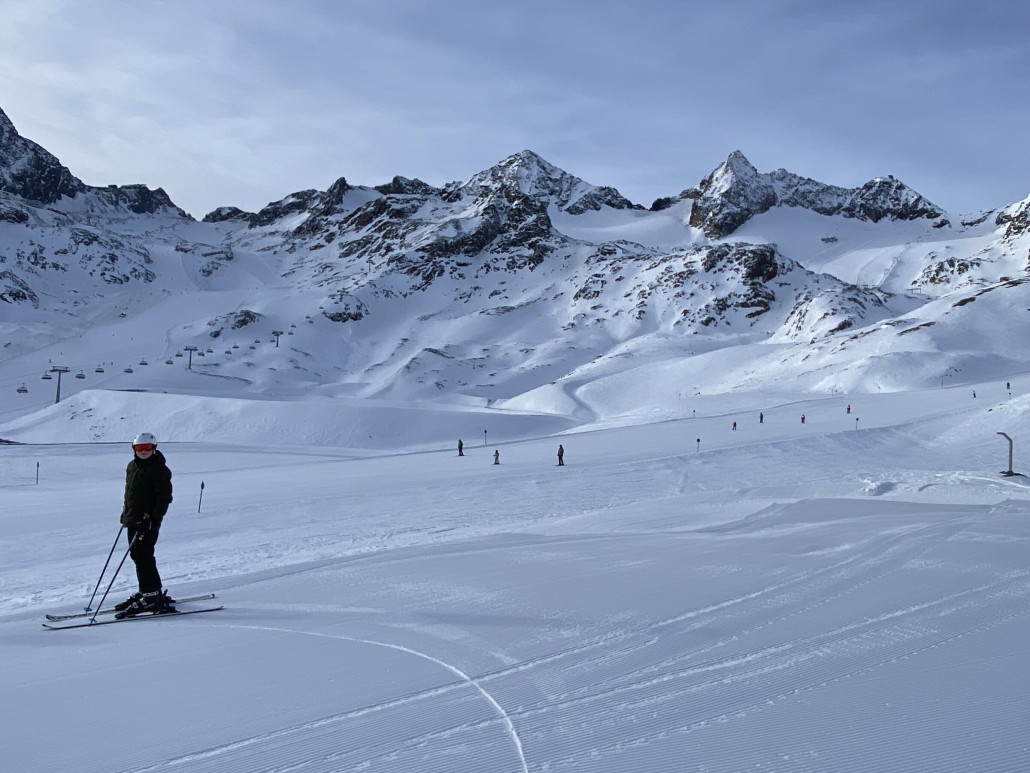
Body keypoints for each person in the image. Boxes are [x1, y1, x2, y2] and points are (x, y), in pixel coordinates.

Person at [114, 432, 174, 617]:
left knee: (143, 555)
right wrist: (126, 513)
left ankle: (152, 596)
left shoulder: (159, 469)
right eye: (139, 448)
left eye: (147, 447)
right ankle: (148, 590)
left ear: (154, 448)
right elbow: (130, 493)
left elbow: (165, 498)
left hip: (148, 522)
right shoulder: (132, 466)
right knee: (136, 554)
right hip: (133, 518)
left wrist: (154, 519)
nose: (143, 451)